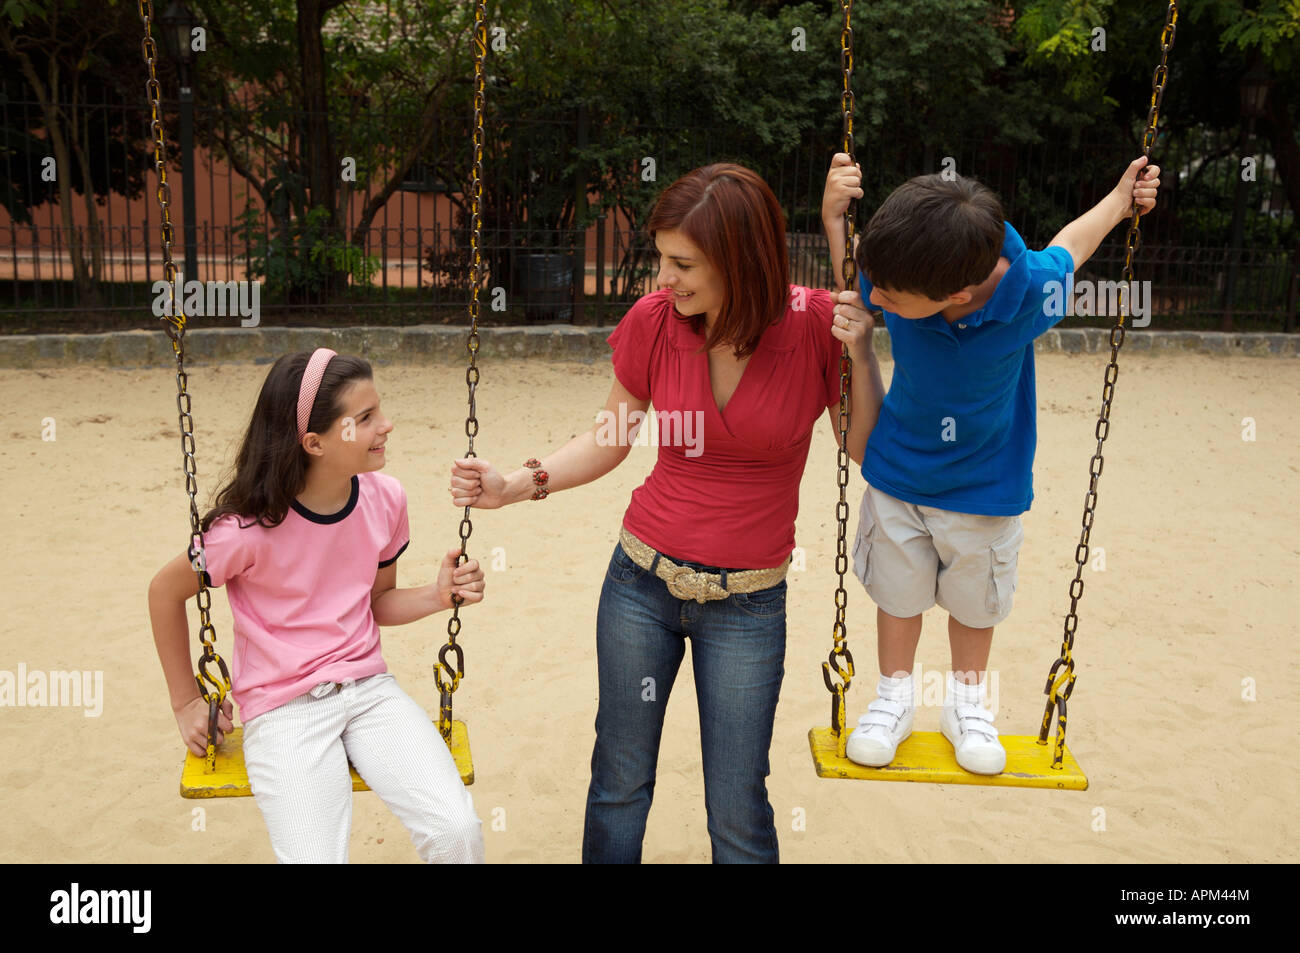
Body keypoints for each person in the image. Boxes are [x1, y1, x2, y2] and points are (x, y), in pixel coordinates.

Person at [450, 163, 885, 863]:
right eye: (662, 257)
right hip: (640, 585)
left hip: (746, 603)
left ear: (738, 260)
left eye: (682, 263)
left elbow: (862, 445)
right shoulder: (656, 322)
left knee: (738, 804)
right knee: (619, 781)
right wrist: (516, 482)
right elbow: (610, 437)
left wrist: (861, 350)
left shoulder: (809, 326)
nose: (664, 278)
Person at [821, 152, 1161, 774]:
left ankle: (966, 704)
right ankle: (894, 698)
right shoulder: (902, 267)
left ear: (954, 292)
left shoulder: (1031, 293)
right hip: (898, 470)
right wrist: (833, 218)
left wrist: (1119, 200)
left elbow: (1071, 247)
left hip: (985, 484)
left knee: (975, 602)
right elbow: (857, 277)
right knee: (898, 595)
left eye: (891, 300)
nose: (879, 303)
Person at [148, 348, 487, 863]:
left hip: (370, 693)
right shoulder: (242, 532)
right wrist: (185, 702)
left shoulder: (385, 499)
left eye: (381, 410)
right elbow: (164, 592)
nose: (387, 425)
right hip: (284, 710)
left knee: (456, 828)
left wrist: (438, 597)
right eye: (366, 418)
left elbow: (376, 604)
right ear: (314, 442)